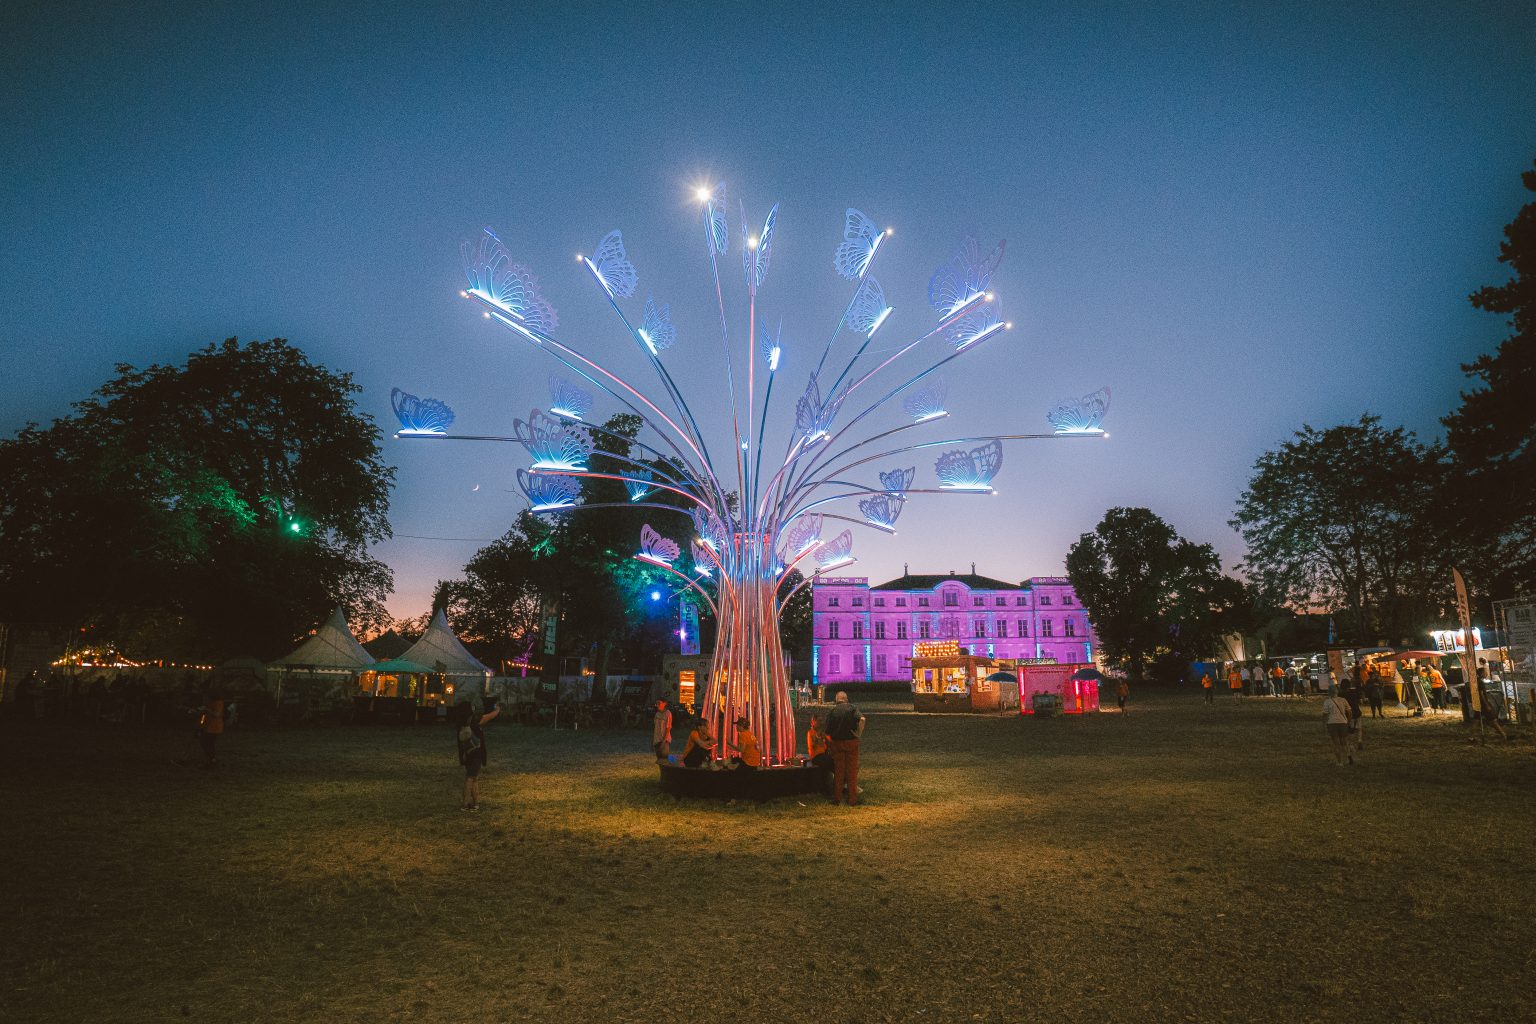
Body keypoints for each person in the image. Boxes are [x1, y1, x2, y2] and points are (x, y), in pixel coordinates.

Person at [457, 699, 501, 811]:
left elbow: (460, 742)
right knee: (470, 779)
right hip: (476, 753)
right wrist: (497, 709)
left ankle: (476, 803)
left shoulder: (460, 722)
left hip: (467, 754)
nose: (473, 708)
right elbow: (489, 716)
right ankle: (465, 804)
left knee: (474, 778)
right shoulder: (474, 721)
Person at [825, 691, 864, 806]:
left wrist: (830, 744)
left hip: (837, 744)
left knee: (839, 772)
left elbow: (827, 732)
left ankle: (837, 798)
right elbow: (862, 719)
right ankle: (852, 799)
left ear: (836, 700)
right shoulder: (852, 708)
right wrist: (858, 733)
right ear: (846, 699)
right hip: (851, 743)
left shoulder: (832, 711)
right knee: (851, 772)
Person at [196, 688, 226, 767]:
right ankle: (210, 759)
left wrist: (206, 709)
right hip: (208, 726)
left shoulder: (218, 703)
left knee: (208, 743)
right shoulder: (208, 702)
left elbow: (217, 714)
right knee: (204, 742)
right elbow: (204, 715)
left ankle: (211, 760)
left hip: (214, 726)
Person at [1324, 689, 1354, 765]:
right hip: (1343, 722)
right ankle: (1348, 756)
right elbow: (1349, 712)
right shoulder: (1343, 700)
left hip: (1332, 723)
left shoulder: (1327, 702)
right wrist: (1348, 721)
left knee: (1336, 743)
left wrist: (1325, 723)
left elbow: (1325, 715)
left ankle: (1340, 762)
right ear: (1337, 692)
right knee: (1344, 741)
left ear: (1329, 693)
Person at [652, 699, 673, 764]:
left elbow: (668, 727)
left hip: (664, 739)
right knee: (659, 759)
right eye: (656, 703)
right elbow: (655, 726)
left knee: (664, 758)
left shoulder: (668, 713)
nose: (657, 705)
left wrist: (664, 740)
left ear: (664, 703)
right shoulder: (657, 714)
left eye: (659, 703)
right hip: (656, 738)